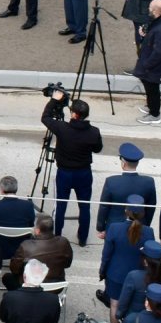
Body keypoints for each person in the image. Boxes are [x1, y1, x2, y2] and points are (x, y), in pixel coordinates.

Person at [40, 93, 103, 244]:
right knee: (84, 206)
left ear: (74, 114)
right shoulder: (94, 132)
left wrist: (54, 100)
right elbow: (97, 149)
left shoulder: (62, 128)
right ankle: (82, 238)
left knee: (60, 206)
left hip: (64, 173)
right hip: (84, 173)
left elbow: (45, 118)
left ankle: (57, 236)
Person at [133, 0, 161, 125]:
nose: (148, 10)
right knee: (149, 87)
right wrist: (145, 35)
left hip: (154, 67)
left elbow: (159, 52)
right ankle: (151, 106)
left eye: (150, 8)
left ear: (156, 11)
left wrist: (146, 65)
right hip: (151, 65)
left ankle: (154, 113)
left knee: (152, 89)